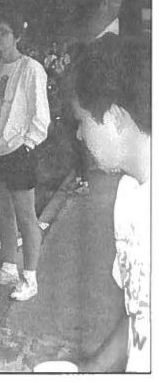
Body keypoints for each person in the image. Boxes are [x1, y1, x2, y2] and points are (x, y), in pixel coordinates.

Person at [71, 35, 150, 373]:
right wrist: (93, 369)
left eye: (82, 122)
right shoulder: (129, 194)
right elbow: (141, 311)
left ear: (116, 117)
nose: (79, 136)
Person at [0, 14, 50, 301]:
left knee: (26, 216)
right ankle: (9, 267)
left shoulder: (31, 68)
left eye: (5, 33)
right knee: (2, 212)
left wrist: (28, 144)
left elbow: (40, 114)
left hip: (19, 150)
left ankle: (30, 277)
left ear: (17, 37)